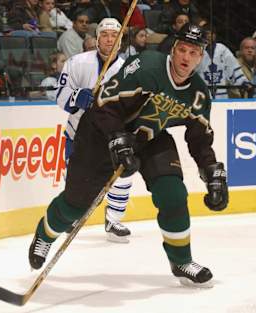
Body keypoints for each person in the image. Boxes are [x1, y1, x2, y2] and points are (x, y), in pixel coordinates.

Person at [28, 23, 229, 286]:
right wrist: (118, 141)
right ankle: (45, 234)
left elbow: (200, 141)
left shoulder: (199, 95)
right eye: (182, 50)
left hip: (148, 136)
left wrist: (212, 172)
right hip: (100, 132)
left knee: (173, 193)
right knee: (76, 204)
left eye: (193, 53)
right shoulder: (145, 66)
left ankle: (181, 260)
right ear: (173, 50)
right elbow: (103, 105)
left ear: (200, 57)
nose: (186, 58)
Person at [55, 17, 132, 242]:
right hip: (78, 133)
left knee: (122, 177)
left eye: (114, 36)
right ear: (97, 39)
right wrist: (77, 96)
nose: (109, 39)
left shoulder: (128, 69)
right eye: (105, 35)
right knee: (75, 178)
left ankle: (114, 220)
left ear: (120, 41)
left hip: (112, 136)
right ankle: (69, 217)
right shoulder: (77, 63)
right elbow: (60, 96)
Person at [196, 29, 250, 99]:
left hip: (221, 97)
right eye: (207, 33)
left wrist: (243, 82)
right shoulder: (197, 49)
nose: (209, 36)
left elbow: (232, 66)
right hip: (202, 96)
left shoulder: (222, 49)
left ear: (215, 35)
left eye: (211, 33)